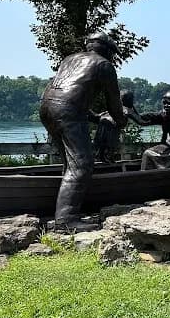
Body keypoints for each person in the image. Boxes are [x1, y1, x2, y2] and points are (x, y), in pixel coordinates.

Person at [39, 32, 128, 230]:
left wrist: (96, 117)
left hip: (47, 108)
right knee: (82, 165)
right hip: (68, 112)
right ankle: (66, 220)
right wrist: (121, 121)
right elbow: (114, 104)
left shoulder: (69, 59)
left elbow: (67, 93)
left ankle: (64, 212)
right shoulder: (104, 65)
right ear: (107, 50)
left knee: (70, 164)